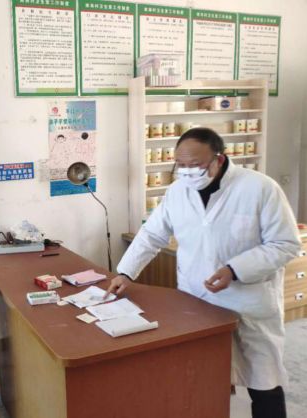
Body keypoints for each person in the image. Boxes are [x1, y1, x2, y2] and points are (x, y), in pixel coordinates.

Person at [107, 128, 300, 418]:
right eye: (180, 165)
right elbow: (152, 235)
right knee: (205, 379)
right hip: (197, 301)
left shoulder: (260, 188)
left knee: (264, 381)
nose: (186, 172)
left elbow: (285, 244)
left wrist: (235, 269)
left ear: (219, 160)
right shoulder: (177, 192)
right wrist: (126, 272)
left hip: (249, 301)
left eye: (194, 165)